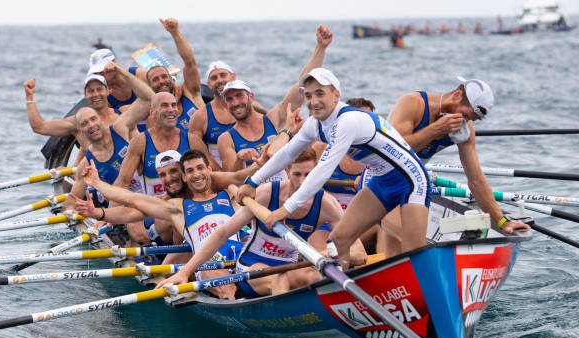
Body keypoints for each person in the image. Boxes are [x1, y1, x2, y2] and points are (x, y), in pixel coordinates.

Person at [236, 68, 432, 270]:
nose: (313, 101)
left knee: (413, 254)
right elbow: (286, 154)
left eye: (320, 93)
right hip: (381, 182)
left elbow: (322, 171)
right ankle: (340, 296)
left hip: (411, 181)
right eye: (309, 96)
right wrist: (252, 183)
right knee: (339, 239)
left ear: (336, 95)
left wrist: (286, 209)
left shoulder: (348, 121)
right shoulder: (314, 124)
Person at [157, 147, 346, 297]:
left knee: (314, 277)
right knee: (280, 280)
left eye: (309, 175)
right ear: (287, 171)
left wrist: (329, 253)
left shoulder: (328, 205)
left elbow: (358, 254)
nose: (303, 182)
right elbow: (222, 233)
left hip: (289, 264)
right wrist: (185, 271)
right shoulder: (266, 194)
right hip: (251, 265)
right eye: (297, 174)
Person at [383, 76, 531, 255]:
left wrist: (502, 222)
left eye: (471, 119)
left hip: (412, 186)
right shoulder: (413, 103)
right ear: (456, 95)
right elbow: (394, 149)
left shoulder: (464, 129)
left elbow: (476, 179)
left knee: (399, 254)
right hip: (380, 181)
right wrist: (437, 129)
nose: (464, 122)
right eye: (466, 115)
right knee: (415, 244)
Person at [82, 150, 246, 299]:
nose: (169, 179)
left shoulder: (219, 187)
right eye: (163, 174)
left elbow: (242, 177)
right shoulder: (171, 205)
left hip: (229, 248)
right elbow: (129, 205)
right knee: (167, 267)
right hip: (190, 248)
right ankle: (200, 284)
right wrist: (100, 212)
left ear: (182, 173)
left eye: (173, 171)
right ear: (185, 175)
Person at [217, 25, 334, 173]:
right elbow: (231, 181)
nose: (235, 103)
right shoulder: (226, 139)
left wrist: (320, 47)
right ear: (226, 104)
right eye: (229, 99)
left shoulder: (273, 118)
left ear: (251, 97)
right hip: (254, 193)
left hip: (283, 190)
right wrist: (240, 159)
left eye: (239, 96)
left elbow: (301, 86)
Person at [60, 70, 151, 216]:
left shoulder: (121, 128)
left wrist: (120, 70)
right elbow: (71, 202)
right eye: (85, 124)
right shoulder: (87, 164)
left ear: (100, 120)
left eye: (93, 119)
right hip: (126, 208)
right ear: (80, 131)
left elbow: (148, 98)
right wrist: (70, 212)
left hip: (152, 193)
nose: (91, 125)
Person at [23, 61, 146, 162]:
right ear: (85, 95)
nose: (95, 94)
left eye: (99, 89)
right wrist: (29, 96)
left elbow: (149, 100)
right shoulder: (77, 122)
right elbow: (39, 127)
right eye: (91, 91)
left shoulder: (124, 113)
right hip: (99, 181)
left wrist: (121, 71)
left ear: (107, 91)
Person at [187, 61, 267, 168]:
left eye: (223, 75)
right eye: (214, 78)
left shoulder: (254, 107)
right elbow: (196, 155)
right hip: (222, 177)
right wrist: (222, 177)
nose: (219, 80)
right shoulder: (200, 117)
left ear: (233, 77)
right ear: (209, 85)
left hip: (256, 170)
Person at [138, 18, 204, 132]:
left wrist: (175, 33)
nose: (161, 81)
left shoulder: (190, 93)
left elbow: (189, 62)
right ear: (150, 86)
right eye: (155, 79)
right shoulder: (153, 117)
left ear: (171, 78)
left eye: (164, 76)